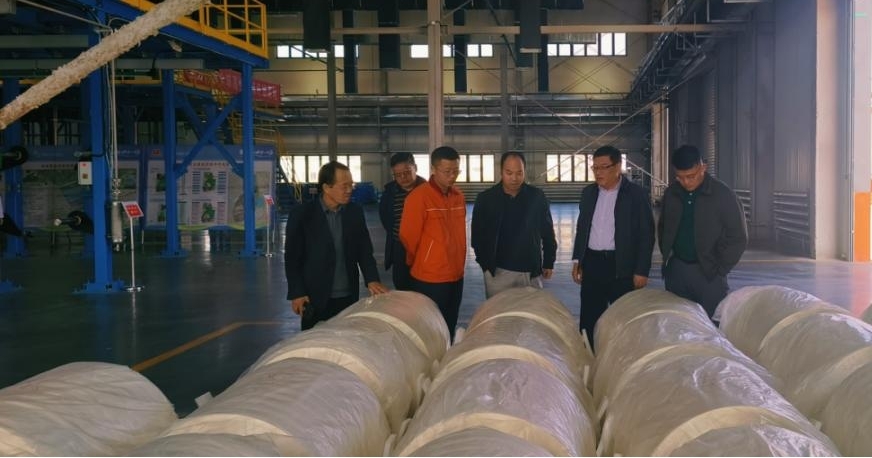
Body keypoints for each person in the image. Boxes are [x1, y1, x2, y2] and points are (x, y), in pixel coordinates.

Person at [284, 161, 389, 330]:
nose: (349, 190)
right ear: (326, 187)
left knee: (345, 339)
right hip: (314, 296)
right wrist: (297, 293)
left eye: (351, 185)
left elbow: (364, 250)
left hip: (347, 295)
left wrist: (372, 279)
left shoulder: (354, 212)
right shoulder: (302, 214)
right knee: (316, 341)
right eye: (344, 186)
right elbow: (292, 259)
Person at [571, 145, 655, 349]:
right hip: (592, 263)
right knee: (589, 316)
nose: (598, 172)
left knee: (623, 317)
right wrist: (578, 260)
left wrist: (641, 270)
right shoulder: (589, 193)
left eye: (604, 167)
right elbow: (582, 227)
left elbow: (646, 234)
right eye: (595, 167)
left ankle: (622, 357)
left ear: (618, 167)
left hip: (621, 266)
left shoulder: (636, 194)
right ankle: (589, 355)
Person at [658, 144, 747, 318]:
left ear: (703, 167)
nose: (686, 182)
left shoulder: (723, 195)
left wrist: (720, 269)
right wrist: (668, 259)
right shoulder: (671, 193)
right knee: (680, 322)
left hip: (709, 274)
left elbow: (738, 236)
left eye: (691, 176)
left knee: (710, 324)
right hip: (677, 271)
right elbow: (663, 227)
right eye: (680, 177)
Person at [399, 146, 466, 341]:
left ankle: (447, 356)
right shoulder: (418, 197)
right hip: (430, 278)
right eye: (447, 171)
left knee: (450, 323)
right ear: (434, 169)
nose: (452, 176)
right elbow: (408, 236)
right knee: (431, 330)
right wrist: (423, 260)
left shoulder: (458, 196)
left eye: (456, 171)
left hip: (456, 275)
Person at [471, 151, 557, 298]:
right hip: (497, 273)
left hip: (530, 272)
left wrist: (549, 261)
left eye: (519, 173)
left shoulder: (536, 197)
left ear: (524, 172)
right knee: (499, 311)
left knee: (531, 311)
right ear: (501, 172)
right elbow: (477, 236)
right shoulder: (486, 199)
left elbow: (547, 231)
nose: (514, 178)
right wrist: (485, 265)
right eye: (509, 173)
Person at [379, 152, 426, 290]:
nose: (403, 177)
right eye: (398, 175)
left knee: (423, 286)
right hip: (399, 247)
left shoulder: (428, 191)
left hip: (423, 248)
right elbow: (386, 219)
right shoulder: (390, 193)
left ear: (415, 168)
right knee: (401, 284)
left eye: (407, 172)